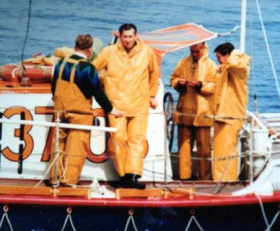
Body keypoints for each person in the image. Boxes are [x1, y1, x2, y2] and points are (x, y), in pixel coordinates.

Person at [49, 34, 122, 187]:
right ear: (89, 50)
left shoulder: (61, 63)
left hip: (59, 110)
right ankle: (69, 180)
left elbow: (54, 86)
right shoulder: (88, 68)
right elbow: (97, 92)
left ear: (75, 47)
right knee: (76, 148)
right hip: (79, 113)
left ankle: (54, 177)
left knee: (58, 144)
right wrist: (111, 109)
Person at [93, 23, 160, 189]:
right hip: (117, 106)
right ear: (120, 37)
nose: (128, 40)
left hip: (139, 104)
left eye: (131, 36)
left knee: (136, 141)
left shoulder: (147, 52)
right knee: (118, 140)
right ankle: (122, 175)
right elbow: (93, 69)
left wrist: (152, 95)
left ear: (136, 36)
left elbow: (155, 74)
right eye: (125, 37)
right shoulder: (109, 52)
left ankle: (132, 177)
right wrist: (100, 85)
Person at [170, 42, 216, 180]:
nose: (194, 54)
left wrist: (200, 85)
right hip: (185, 111)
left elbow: (214, 86)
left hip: (203, 113)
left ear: (203, 48)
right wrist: (179, 83)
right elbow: (173, 78)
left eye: (196, 52)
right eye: (192, 51)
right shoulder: (183, 62)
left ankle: (205, 179)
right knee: (184, 148)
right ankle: (185, 177)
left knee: (204, 150)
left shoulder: (210, 65)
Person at [213, 42, 250, 182]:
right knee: (220, 153)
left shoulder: (240, 68)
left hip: (232, 115)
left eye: (219, 57)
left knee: (227, 153)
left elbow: (236, 65)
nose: (218, 60)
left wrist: (235, 54)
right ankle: (220, 179)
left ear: (227, 56)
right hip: (221, 114)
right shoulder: (224, 69)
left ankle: (227, 181)